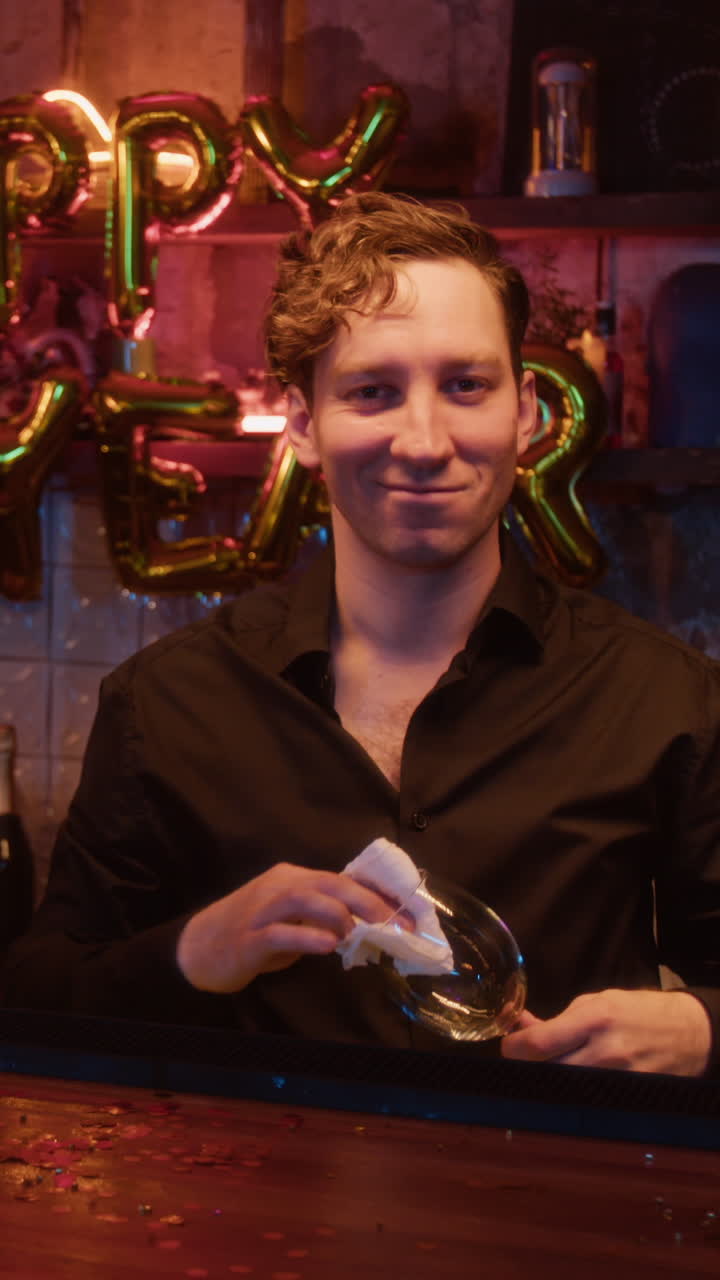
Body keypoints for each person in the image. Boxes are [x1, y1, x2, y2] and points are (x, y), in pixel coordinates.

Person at [2, 194, 718, 1076]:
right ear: (303, 424)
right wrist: (194, 951)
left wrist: (703, 1031)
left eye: (466, 385)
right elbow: (36, 998)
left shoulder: (661, 696)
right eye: (373, 391)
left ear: (527, 413)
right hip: (247, 1205)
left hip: (554, 1205)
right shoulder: (167, 702)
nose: (423, 441)